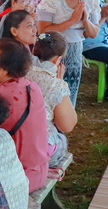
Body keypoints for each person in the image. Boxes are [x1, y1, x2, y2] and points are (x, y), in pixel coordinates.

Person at [0, 39, 51, 192]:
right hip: (39, 170)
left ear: (4, 70)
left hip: (16, 178)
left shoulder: (0, 96)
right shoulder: (32, 86)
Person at [37, 0, 100, 106]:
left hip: (75, 49)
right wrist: (72, 21)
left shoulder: (92, 0)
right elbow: (43, 31)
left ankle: (66, 116)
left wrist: (85, 20)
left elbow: (94, 33)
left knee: (70, 88)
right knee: (49, 87)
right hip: (51, 48)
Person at [26, 32, 76, 168]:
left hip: (13, 139)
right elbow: (67, 125)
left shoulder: (17, 71)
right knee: (62, 139)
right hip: (40, 147)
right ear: (57, 59)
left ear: (33, 50)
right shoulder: (56, 84)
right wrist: (61, 83)